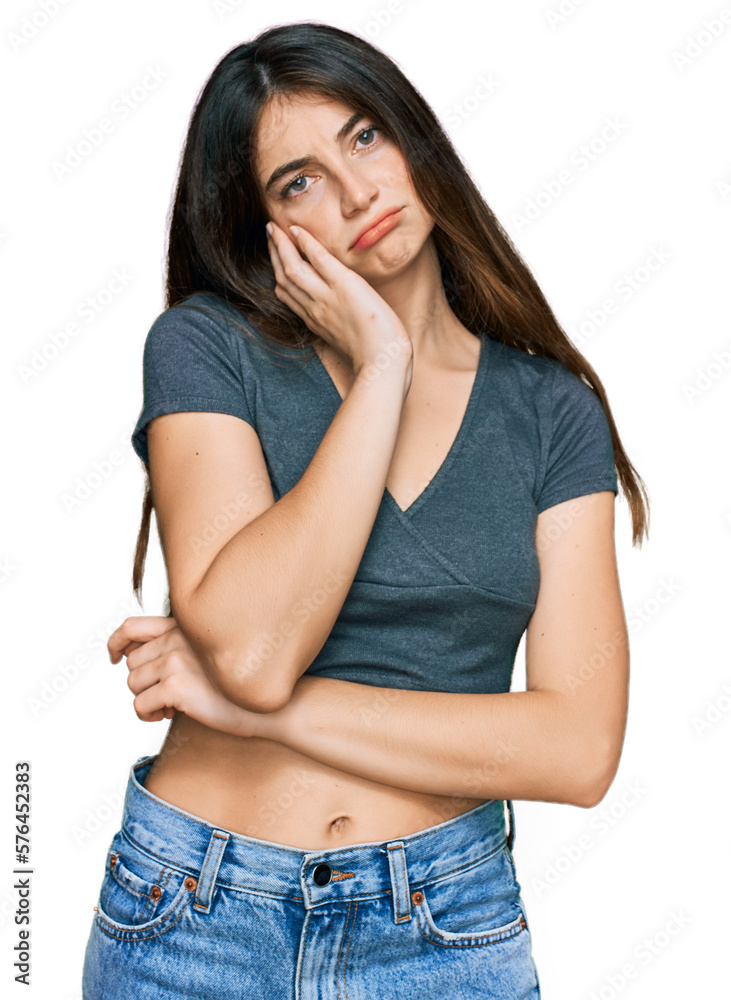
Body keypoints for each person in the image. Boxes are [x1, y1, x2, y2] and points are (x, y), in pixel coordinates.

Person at [81, 20, 649, 999]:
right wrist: (382, 364)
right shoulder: (206, 349)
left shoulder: (551, 409)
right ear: (263, 226)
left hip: (441, 926)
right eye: (295, 180)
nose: (355, 194)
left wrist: (260, 713)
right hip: (192, 917)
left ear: (411, 134)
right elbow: (253, 651)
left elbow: (577, 749)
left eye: (363, 136)